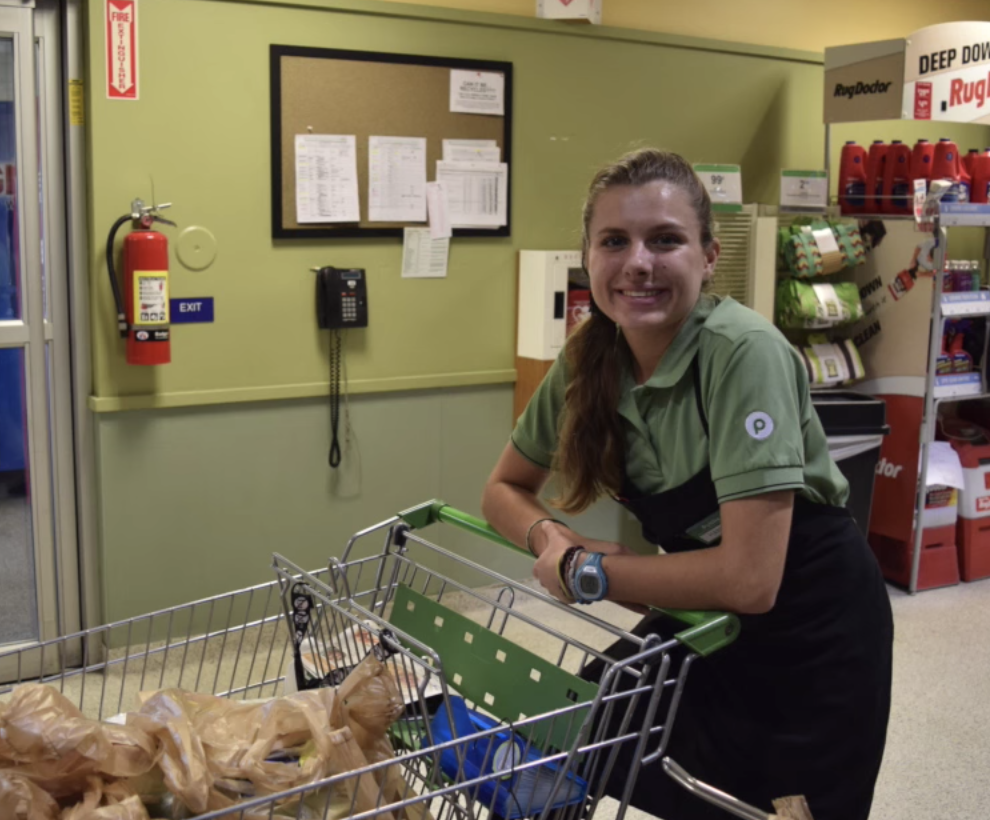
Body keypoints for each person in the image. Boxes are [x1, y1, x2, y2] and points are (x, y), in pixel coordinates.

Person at [481, 148, 893, 820]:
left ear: (708, 256)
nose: (638, 262)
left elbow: (750, 579)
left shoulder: (742, 353)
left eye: (665, 240)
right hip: (707, 614)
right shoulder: (590, 359)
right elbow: (503, 487)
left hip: (813, 630)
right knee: (586, 724)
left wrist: (593, 572)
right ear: (589, 256)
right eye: (614, 241)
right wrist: (552, 537)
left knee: (782, 805)